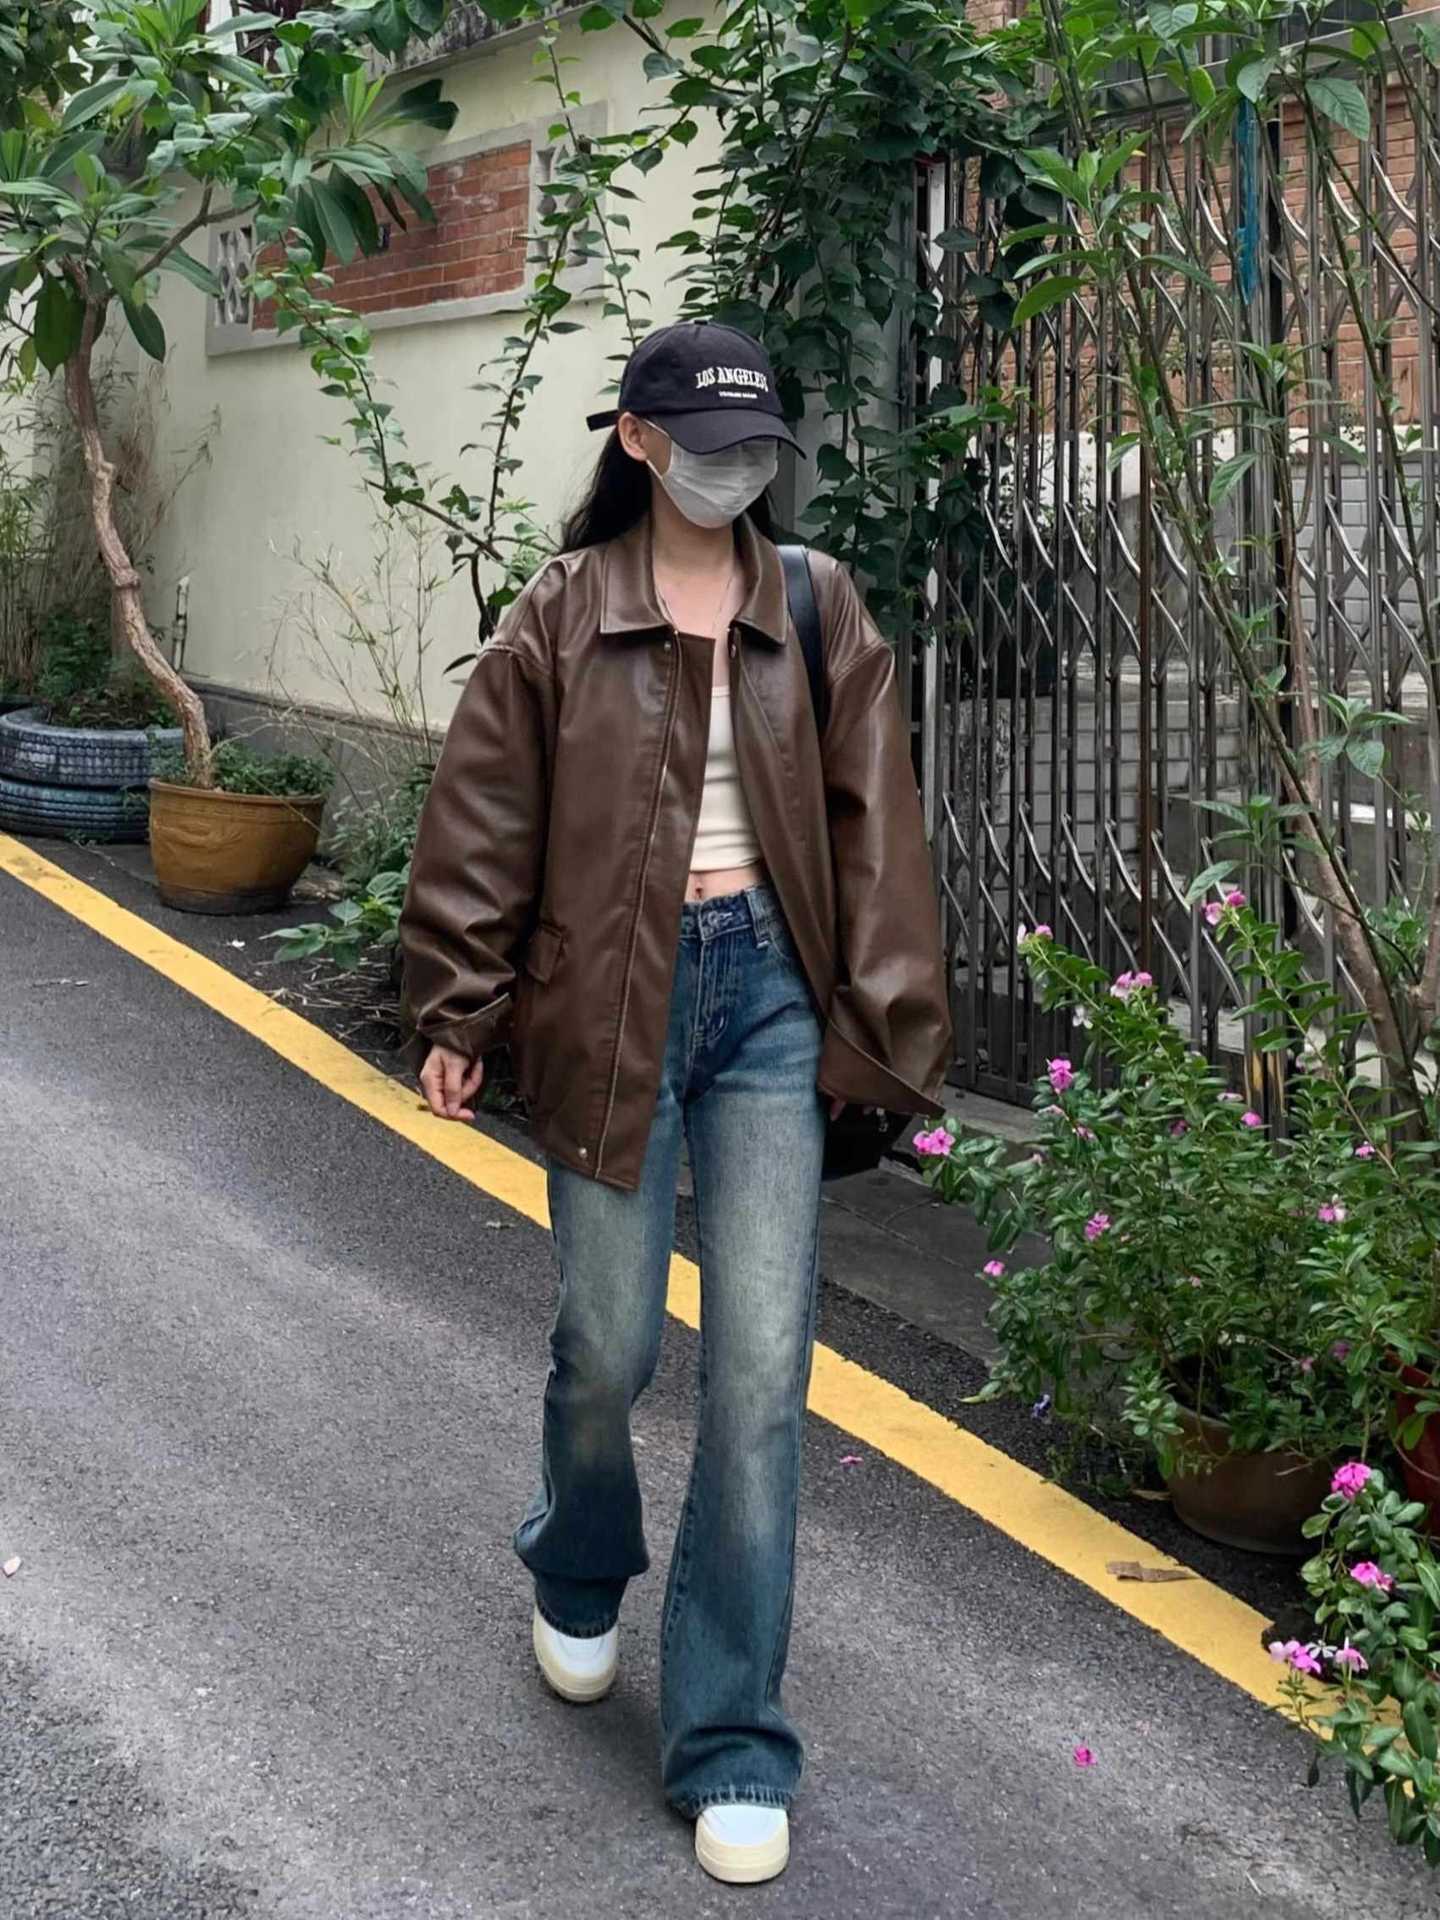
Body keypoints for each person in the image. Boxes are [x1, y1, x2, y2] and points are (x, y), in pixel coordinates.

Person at [396, 319, 952, 1886]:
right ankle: (579, 1559)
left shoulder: (817, 603)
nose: (734, 475)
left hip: (769, 996)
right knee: (611, 1345)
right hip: (607, 996)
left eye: (756, 451)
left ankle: (730, 1734)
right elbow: (484, 815)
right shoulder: (563, 612)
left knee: (761, 1374)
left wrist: (886, 1027)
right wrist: (459, 1005)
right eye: (707, 449)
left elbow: (878, 828)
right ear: (638, 443)